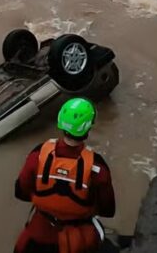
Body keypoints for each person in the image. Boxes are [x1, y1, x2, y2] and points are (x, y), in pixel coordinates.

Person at [13, 98, 116, 253]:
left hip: (38, 233)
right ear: (88, 126)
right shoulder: (97, 167)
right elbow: (108, 210)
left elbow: (20, 192)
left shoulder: (38, 154)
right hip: (76, 238)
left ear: (60, 120)